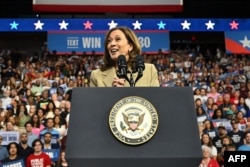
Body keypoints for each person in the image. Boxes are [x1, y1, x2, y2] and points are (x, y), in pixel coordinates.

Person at [89, 26, 159, 87]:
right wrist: (111, 93)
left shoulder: (149, 71)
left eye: (118, 39)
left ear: (130, 46)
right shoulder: (96, 76)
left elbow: (155, 99)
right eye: (109, 41)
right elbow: (95, 102)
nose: (112, 44)